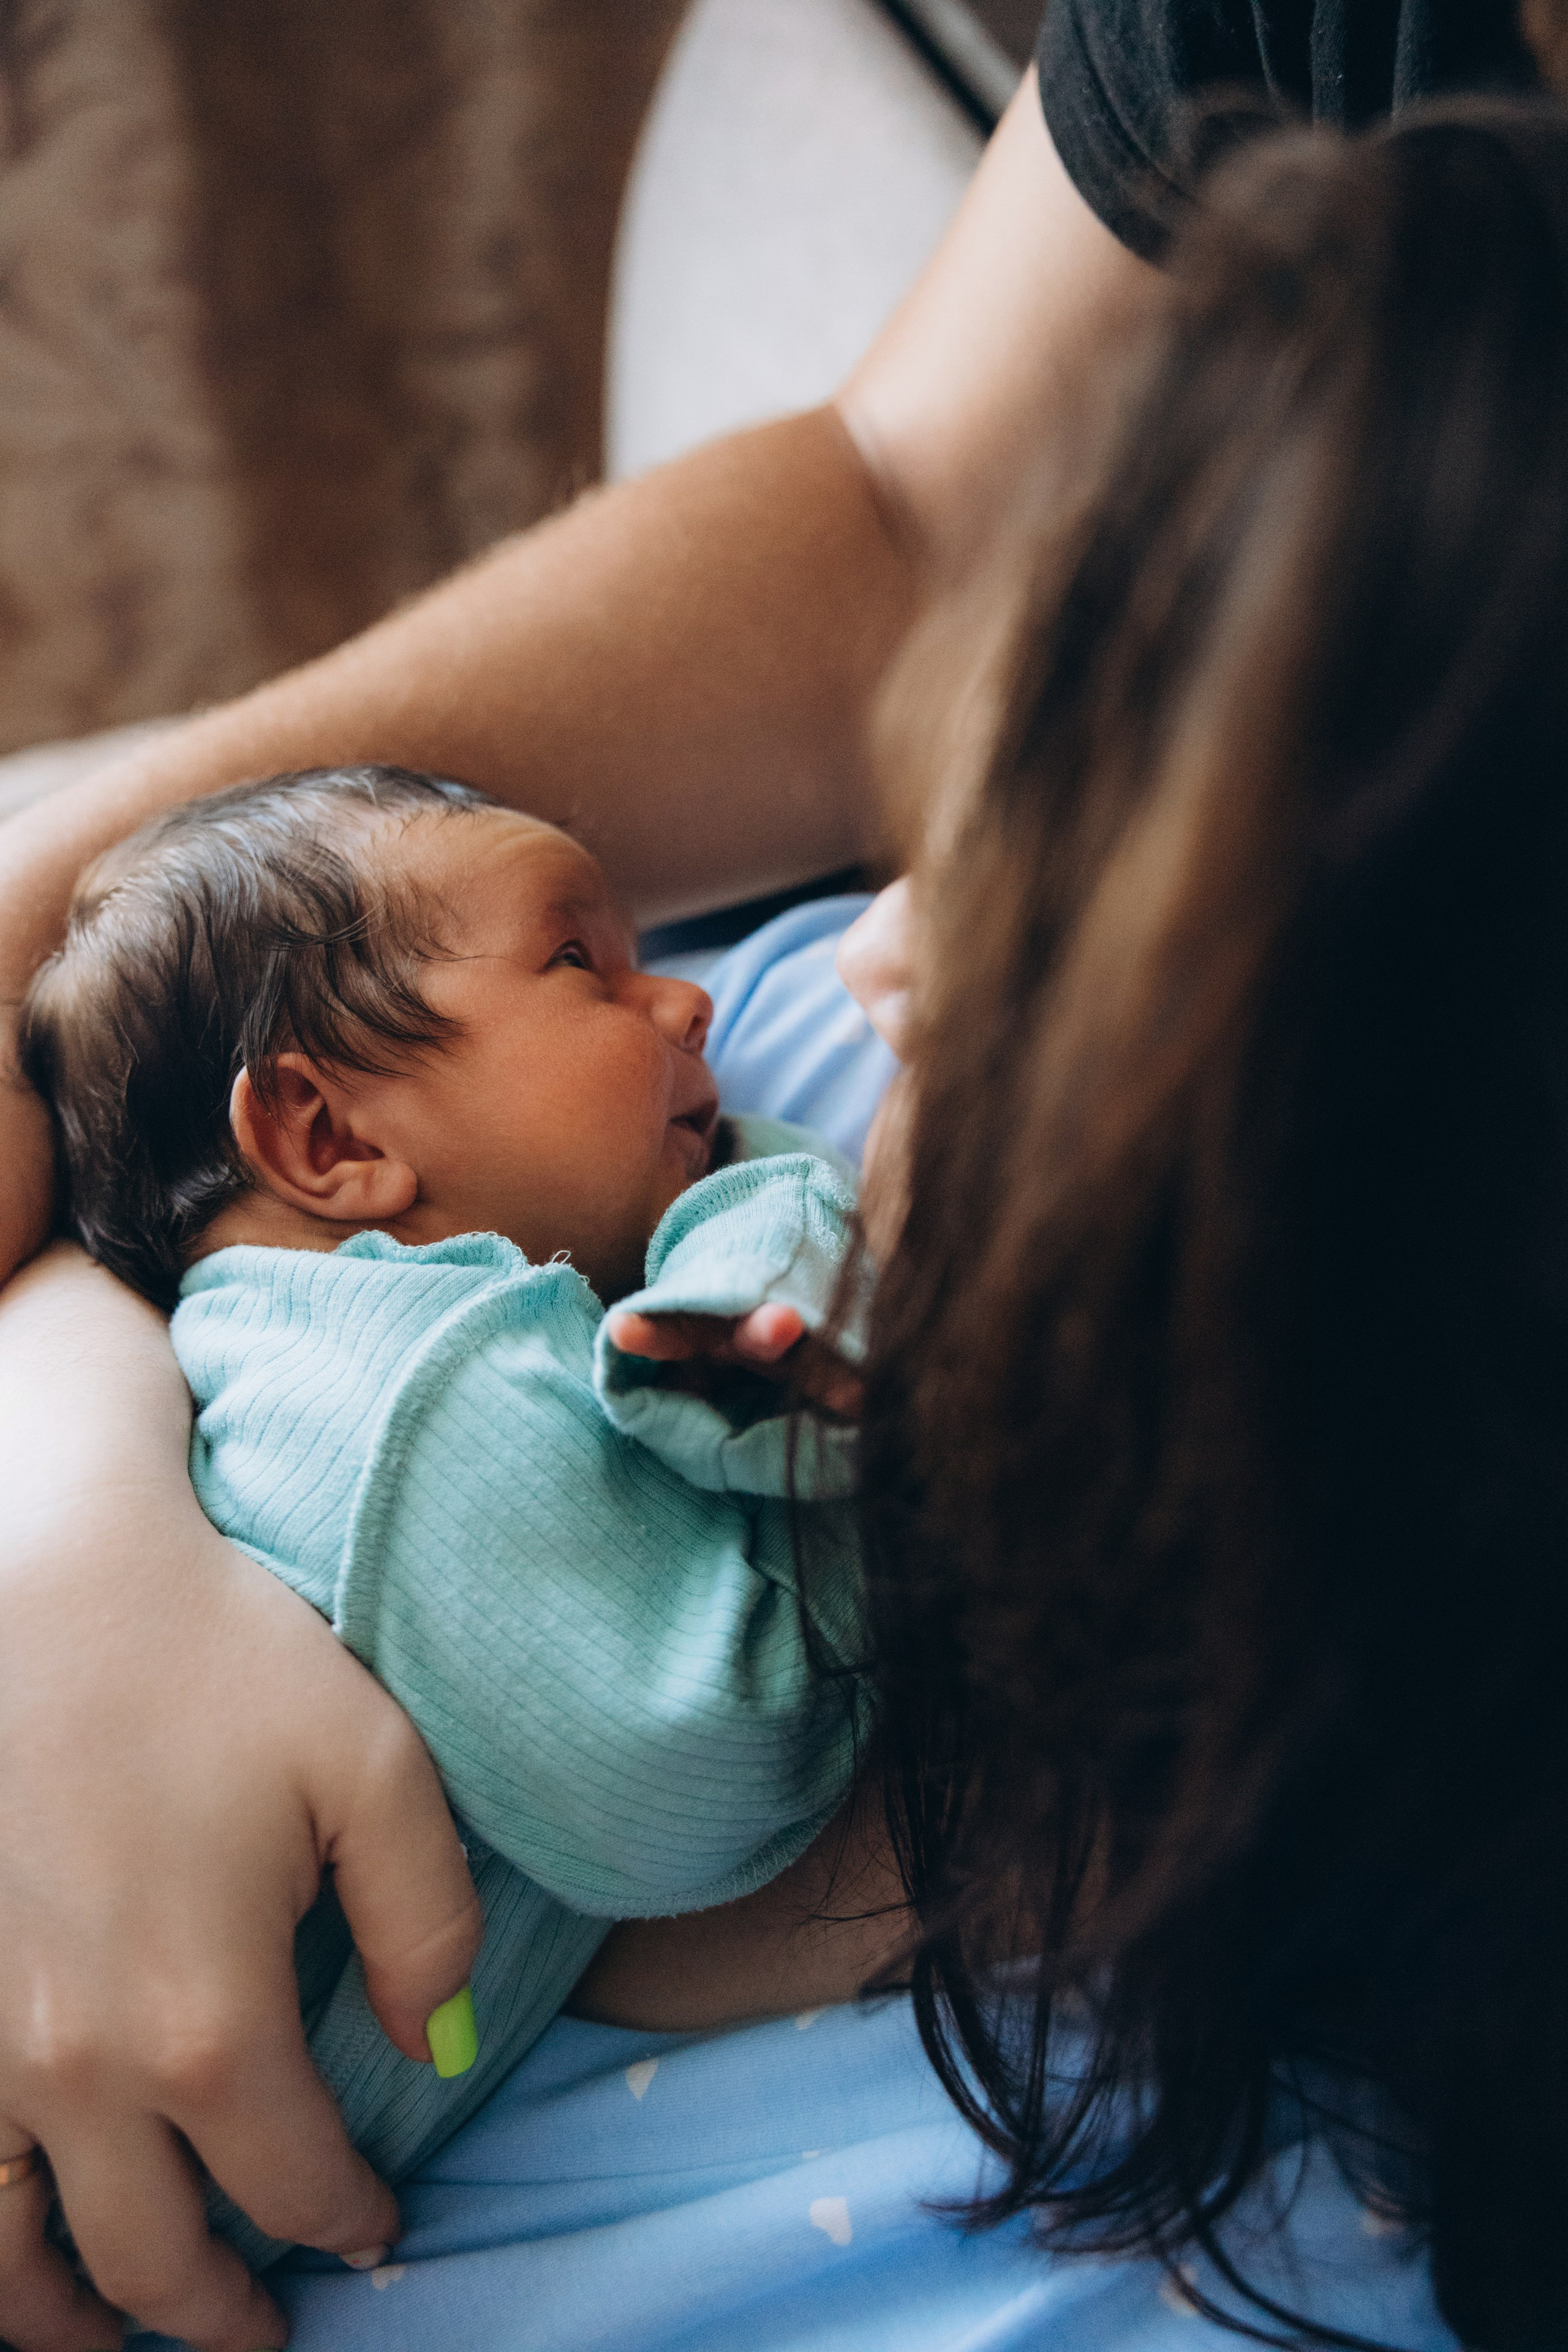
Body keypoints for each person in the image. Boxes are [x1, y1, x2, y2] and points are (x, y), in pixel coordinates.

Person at [0, 4, 1562, 2348]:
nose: (869, 939)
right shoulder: (812, 1093)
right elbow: (913, 509)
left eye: (1038, 897)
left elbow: (680, 1736)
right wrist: (67, 1456)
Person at [18, 763, 868, 2261]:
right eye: (577, 962)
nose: (687, 1005)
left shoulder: (321, 1354)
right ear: (324, 1138)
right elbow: (696, 1761)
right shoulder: (407, 1381)